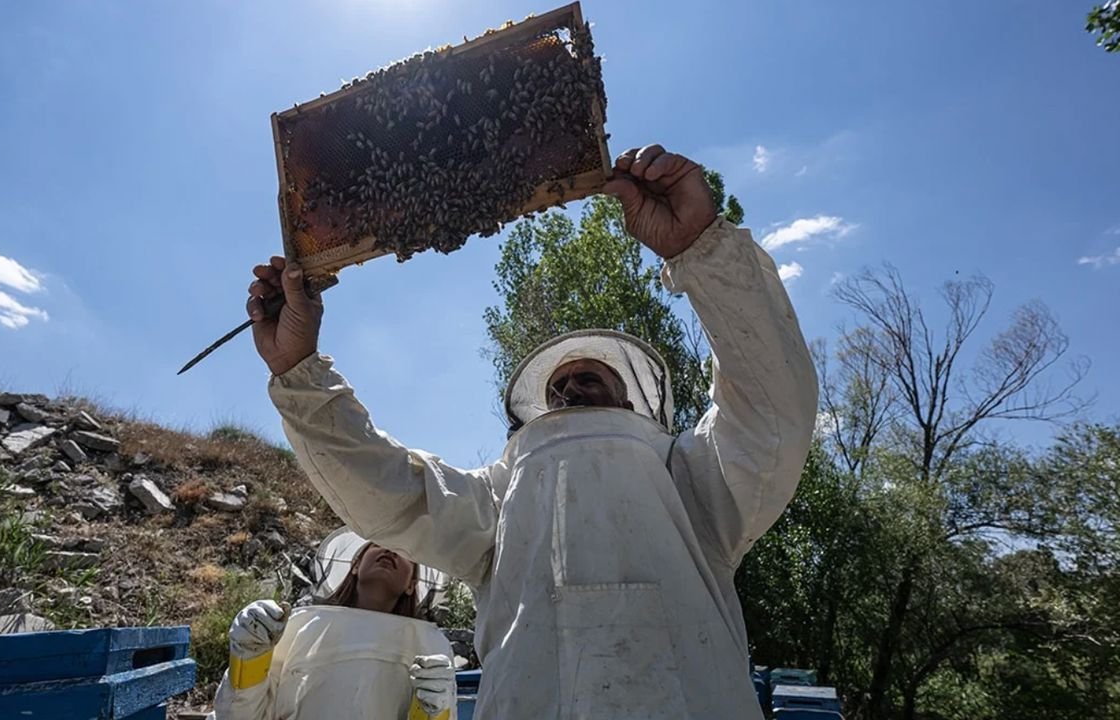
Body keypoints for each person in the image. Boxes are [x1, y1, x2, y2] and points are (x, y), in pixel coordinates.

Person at [246, 144, 819, 718]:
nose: (569, 391)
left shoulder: (693, 478)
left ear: (628, 399)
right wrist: (299, 373)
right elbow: (385, 488)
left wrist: (704, 250)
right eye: (559, 388)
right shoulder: (497, 496)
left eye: (589, 379)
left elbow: (771, 406)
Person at [212, 541, 456, 720]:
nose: (390, 550)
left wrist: (434, 712)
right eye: (378, 544)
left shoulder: (431, 644)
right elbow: (240, 715)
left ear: (412, 585)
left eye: (404, 551)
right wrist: (249, 654)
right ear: (355, 565)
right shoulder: (299, 625)